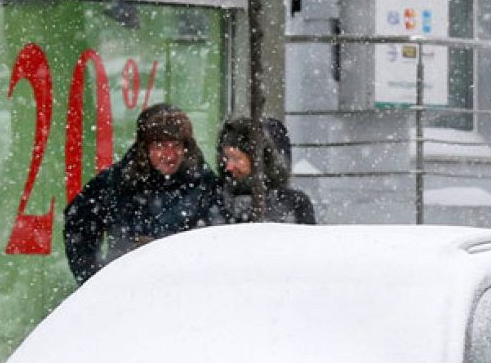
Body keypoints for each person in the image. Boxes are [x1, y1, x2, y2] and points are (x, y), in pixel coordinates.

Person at [63, 104, 224, 284]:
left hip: (186, 291)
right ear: (144, 148)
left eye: (176, 145)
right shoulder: (118, 182)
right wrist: (95, 280)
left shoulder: (204, 184)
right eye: (160, 146)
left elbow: (219, 243)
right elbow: (78, 224)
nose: (169, 155)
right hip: (128, 291)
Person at [216, 116, 317, 225]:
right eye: (226, 158)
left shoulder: (295, 204)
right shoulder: (214, 199)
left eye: (237, 158)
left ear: (258, 160)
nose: (229, 166)